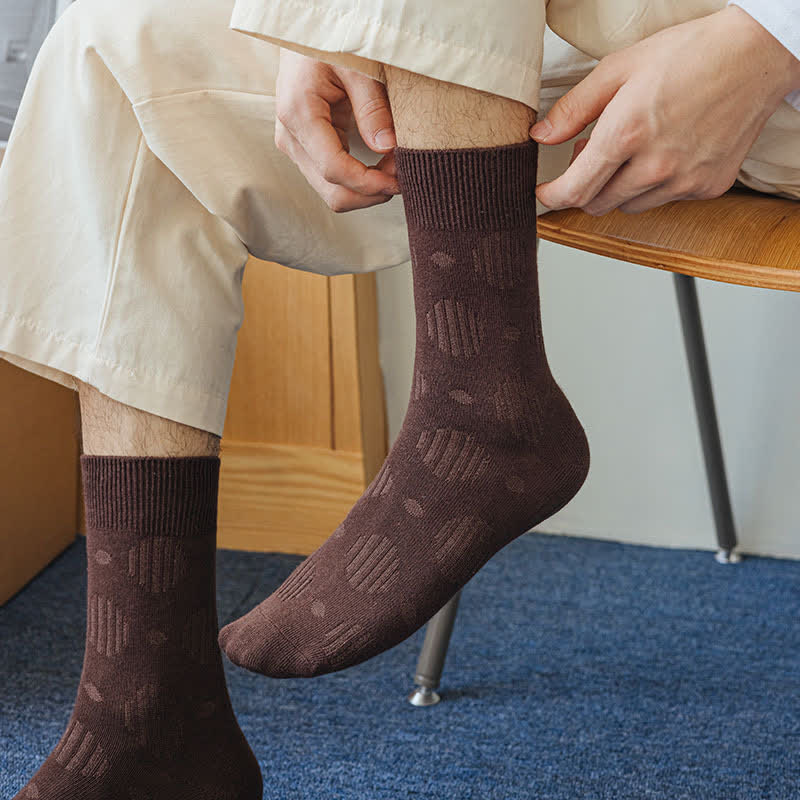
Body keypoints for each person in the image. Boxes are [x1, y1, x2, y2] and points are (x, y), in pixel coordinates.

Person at [2, 0, 798, 797]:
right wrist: (323, 22)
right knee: (112, 47)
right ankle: (148, 721)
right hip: (569, 54)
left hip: (750, 68)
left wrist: (766, 42)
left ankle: (479, 398)